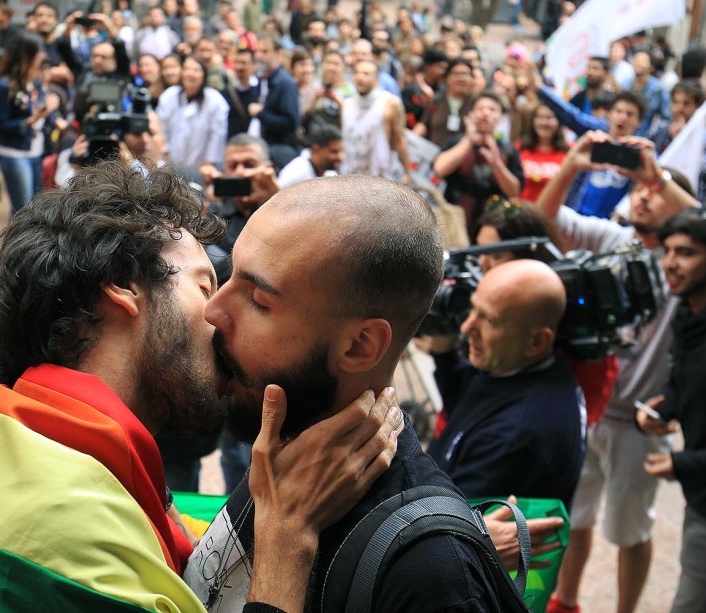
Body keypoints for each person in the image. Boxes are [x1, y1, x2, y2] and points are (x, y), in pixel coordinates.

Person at [0, 160, 402, 612]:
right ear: (123, 286)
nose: (221, 315)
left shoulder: (27, 443)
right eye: (205, 285)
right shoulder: (75, 543)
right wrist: (286, 535)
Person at [188, 174, 512, 612]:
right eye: (229, 277)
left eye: (259, 301)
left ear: (360, 346)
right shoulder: (288, 447)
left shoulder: (431, 576)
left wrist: (287, 537)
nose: (214, 309)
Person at [540, 135, 700, 613]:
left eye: (655, 192)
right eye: (640, 188)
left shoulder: (690, 265)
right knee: (577, 516)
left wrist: (657, 176)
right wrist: (570, 166)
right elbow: (544, 220)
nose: (645, 193)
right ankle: (565, 602)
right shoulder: (613, 238)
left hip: (642, 420)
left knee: (632, 530)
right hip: (589, 410)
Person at [427, 260, 585, 510]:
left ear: (537, 342)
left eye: (488, 320)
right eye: (472, 309)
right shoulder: (523, 367)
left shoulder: (517, 436)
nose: (467, 327)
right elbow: (471, 408)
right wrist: (444, 355)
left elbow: (448, 527)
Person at [637, 207, 706, 613]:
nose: (671, 263)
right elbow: (691, 379)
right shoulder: (687, 308)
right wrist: (664, 407)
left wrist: (684, 465)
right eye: (668, 251)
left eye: (687, 253)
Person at [536, 91, 645, 220]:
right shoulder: (593, 139)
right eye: (618, 111)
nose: (623, 117)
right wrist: (539, 88)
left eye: (630, 114)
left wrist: (624, 211)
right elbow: (572, 116)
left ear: (639, 121)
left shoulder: (641, 153)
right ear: (609, 114)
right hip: (576, 217)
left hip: (612, 227)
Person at [432, 91, 524, 232]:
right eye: (480, 109)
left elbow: (514, 191)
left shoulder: (507, 150)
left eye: (492, 109)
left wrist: (496, 162)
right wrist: (469, 140)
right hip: (454, 223)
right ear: (472, 114)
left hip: (493, 225)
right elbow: (439, 169)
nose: (486, 113)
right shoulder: (456, 142)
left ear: (499, 118)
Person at [0, 31, 59, 213]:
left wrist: (49, 112)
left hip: (36, 150)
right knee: (23, 210)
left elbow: (42, 111)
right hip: (14, 153)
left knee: (36, 205)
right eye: (38, 52)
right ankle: (16, 242)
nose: (42, 56)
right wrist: (32, 119)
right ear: (26, 56)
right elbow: (1, 125)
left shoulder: (35, 81)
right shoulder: (3, 86)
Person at [340, 59, 411, 184]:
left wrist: (408, 173)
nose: (360, 77)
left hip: (380, 178)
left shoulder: (390, 103)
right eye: (357, 72)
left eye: (366, 74)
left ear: (376, 79)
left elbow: (400, 139)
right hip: (350, 176)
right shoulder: (346, 105)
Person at [156, 55, 229, 168]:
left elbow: (217, 136)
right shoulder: (169, 95)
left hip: (202, 167)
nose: (190, 73)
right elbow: (161, 129)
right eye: (186, 69)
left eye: (195, 70)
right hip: (168, 163)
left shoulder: (215, 100)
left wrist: (209, 164)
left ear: (204, 75)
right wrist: (165, 156)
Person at [248, 34, 300, 170]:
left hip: (280, 151)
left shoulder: (285, 83)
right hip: (264, 147)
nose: (259, 56)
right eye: (258, 51)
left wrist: (261, 114)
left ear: (279, 54)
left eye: (265, 51)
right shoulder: (262, 80)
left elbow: (290, 123)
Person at [413, 57, 474, 145]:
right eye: (456, 74)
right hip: (436, 154)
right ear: (447, 78)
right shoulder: (436, 101)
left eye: (465, 74)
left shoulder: (477, 103)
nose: (461, 78)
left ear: (472, 78)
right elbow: (424, 125)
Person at [517, 104, 569, 203]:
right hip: (523, 212)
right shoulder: (519, 147)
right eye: (539, 117)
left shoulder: (569, 151)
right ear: (532, 121)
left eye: (550, 117)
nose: (544, 122)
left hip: (554, 213)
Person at [277, 124, 342, 187]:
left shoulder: (331, 175)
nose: (340, 157)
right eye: (334, 152)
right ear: (316, 149)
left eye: (341, 151)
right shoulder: (296, 173)